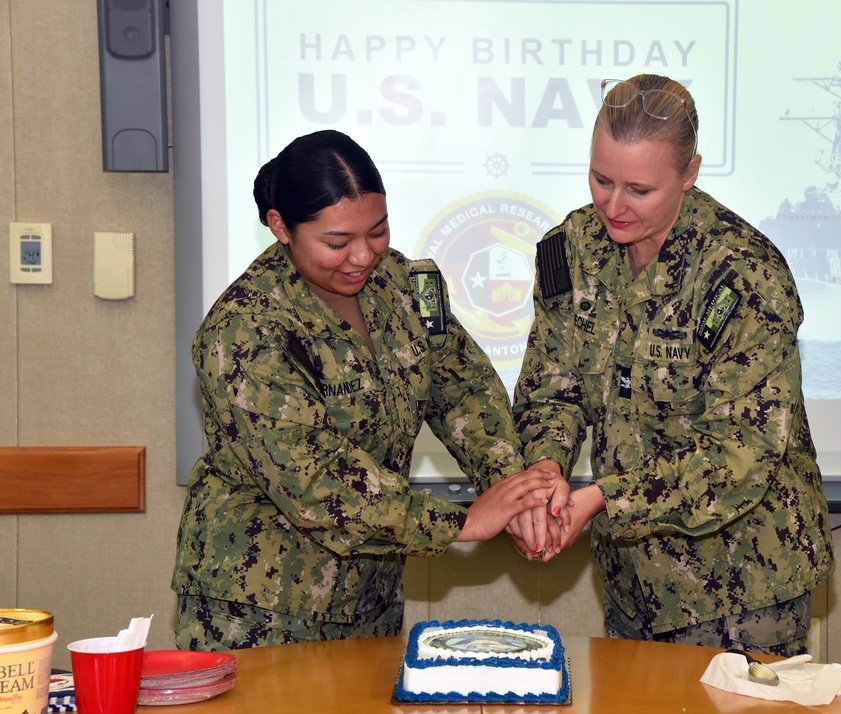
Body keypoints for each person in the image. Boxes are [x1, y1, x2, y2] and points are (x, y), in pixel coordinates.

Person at [172, 129, 566, 650]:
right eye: (337, 243)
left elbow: (465, 391)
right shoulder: (243, 330)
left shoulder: (406, 285)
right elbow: (315, 482)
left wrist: (515, 487)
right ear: (280, 227)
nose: (363, 256)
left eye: (377, 231)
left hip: (369, 598)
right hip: (260, 611)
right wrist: (464, 521)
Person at [513, 75, 835, 656]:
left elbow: (737, 456)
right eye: (601, 179)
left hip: (740, 588)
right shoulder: (571, 249)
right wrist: (546, 473)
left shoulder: (743, 275)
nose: (613, 206)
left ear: (689, 174)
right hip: (631, 582)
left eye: (639, 189)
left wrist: (602, 497)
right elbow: (550, 391)